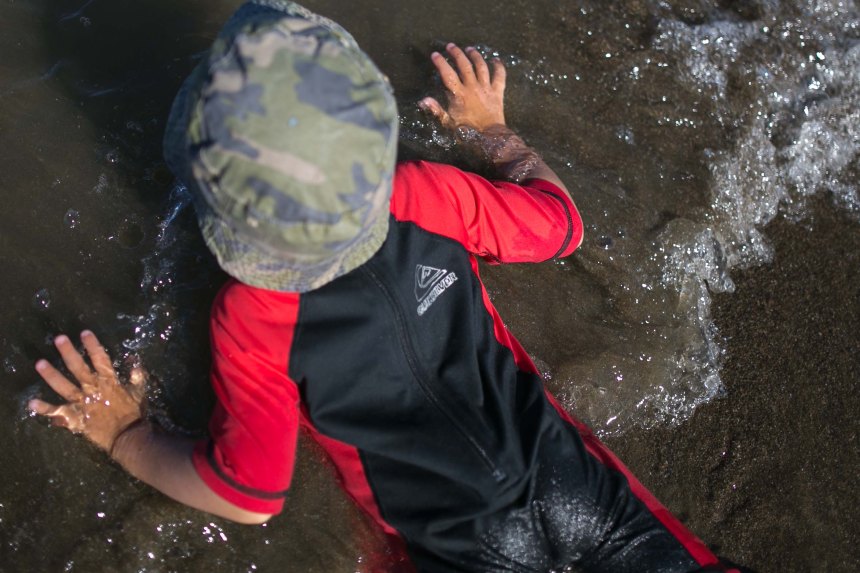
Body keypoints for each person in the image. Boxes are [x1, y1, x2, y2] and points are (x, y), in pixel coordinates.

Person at [28, 2, 740, 572]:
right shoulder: (428, 195)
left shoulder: (250, 316)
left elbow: (250, 494)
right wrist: (493, 135)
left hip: (455, 546)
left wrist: (127, 433)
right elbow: (561, 226)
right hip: (568, 482)